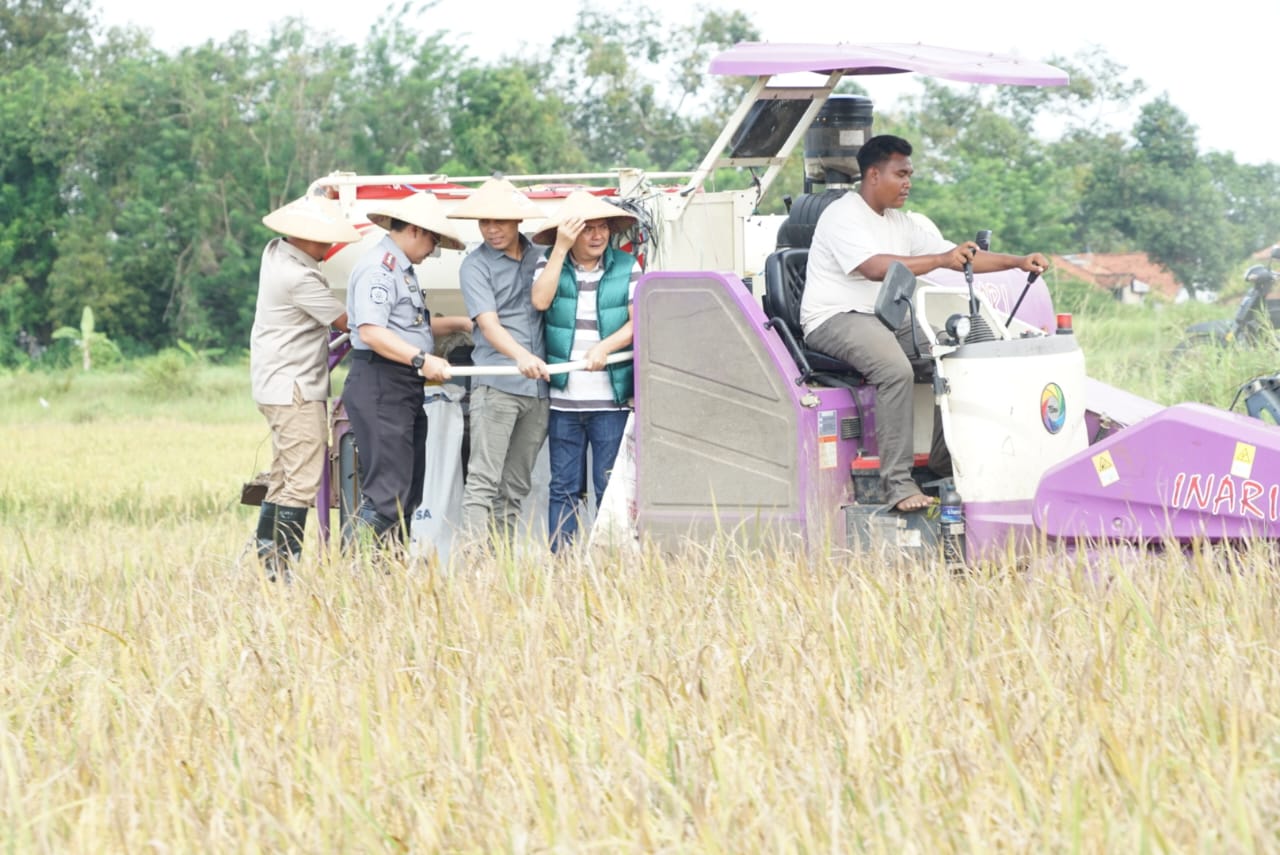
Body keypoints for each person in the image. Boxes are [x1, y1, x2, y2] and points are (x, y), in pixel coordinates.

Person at [800, 134, 1049, 512]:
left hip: (881, 317)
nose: (908, 183)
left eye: (910, 174)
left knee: (953, 358)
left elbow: (959, 258)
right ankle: (897, 486)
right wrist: (940, 260)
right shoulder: (842, 215)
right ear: (872, 175)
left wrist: (1017, 261)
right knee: (895, 370)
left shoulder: (902, 223)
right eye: (900, 174)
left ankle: (943, 464)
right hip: (835, 317)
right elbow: (873, 268)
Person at [342, 192, 472, 546]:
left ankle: (389, 579)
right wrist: (421, 359)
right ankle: (347, 574)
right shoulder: (379, 268)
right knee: (387, 496)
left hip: (402, 387)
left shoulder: (403, 271)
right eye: (433, 239)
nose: (434, 248)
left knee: (406, 495)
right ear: (415, 230)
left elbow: (410, 327)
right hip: (382, 383)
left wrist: (464, 323)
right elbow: (372, 331)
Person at [250, 194, 361, 581]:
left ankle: (268, 564)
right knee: (302, 481)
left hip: (274, 385)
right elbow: (349, 322)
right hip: (295, 388)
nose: (329, 247)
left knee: (283, 476)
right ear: (300, 237)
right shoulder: (299, 278)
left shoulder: (274, 252)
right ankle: (282, 571)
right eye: (323, 239)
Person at [529, 191, 641, 551]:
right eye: (587, 229)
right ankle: (563, 566)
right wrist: (559, 251)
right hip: (564, 400)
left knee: (609, 488)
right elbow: (540, 301)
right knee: (563, 487)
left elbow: (638, 321)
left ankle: (610, 564)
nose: (597, 236)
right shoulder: (549, 262)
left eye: (603, 227)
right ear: (569, 234)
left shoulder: (629, 266)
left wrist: (604, 348)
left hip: (612, 399)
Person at [447, 177, 550, 545]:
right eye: (484, 222)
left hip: (540, 389)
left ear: (517, 221)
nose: (491, 230)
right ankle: (475, 566)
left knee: (516, 485)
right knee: (483, 481)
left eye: (500, 222)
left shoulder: (543, 256)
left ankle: (500, 565)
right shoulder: (475, 266)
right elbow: (488, 326)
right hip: (497, 386)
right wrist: (522, 356)